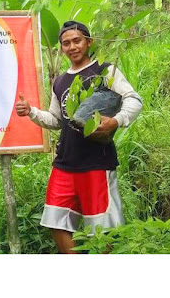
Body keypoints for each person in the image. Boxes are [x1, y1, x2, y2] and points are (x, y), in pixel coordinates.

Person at [15, 21, 143, 253]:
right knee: (55, 221)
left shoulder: (105, 71)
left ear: (88, 42)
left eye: (77, 40)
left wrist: (116, 121)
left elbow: (134, 99)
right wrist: (31, 111)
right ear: (61, 48)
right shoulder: (60, 81)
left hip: (96, 161)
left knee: (102, 228)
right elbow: (56, 120)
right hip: (65, 163)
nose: (72, 46)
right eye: (66, 43)